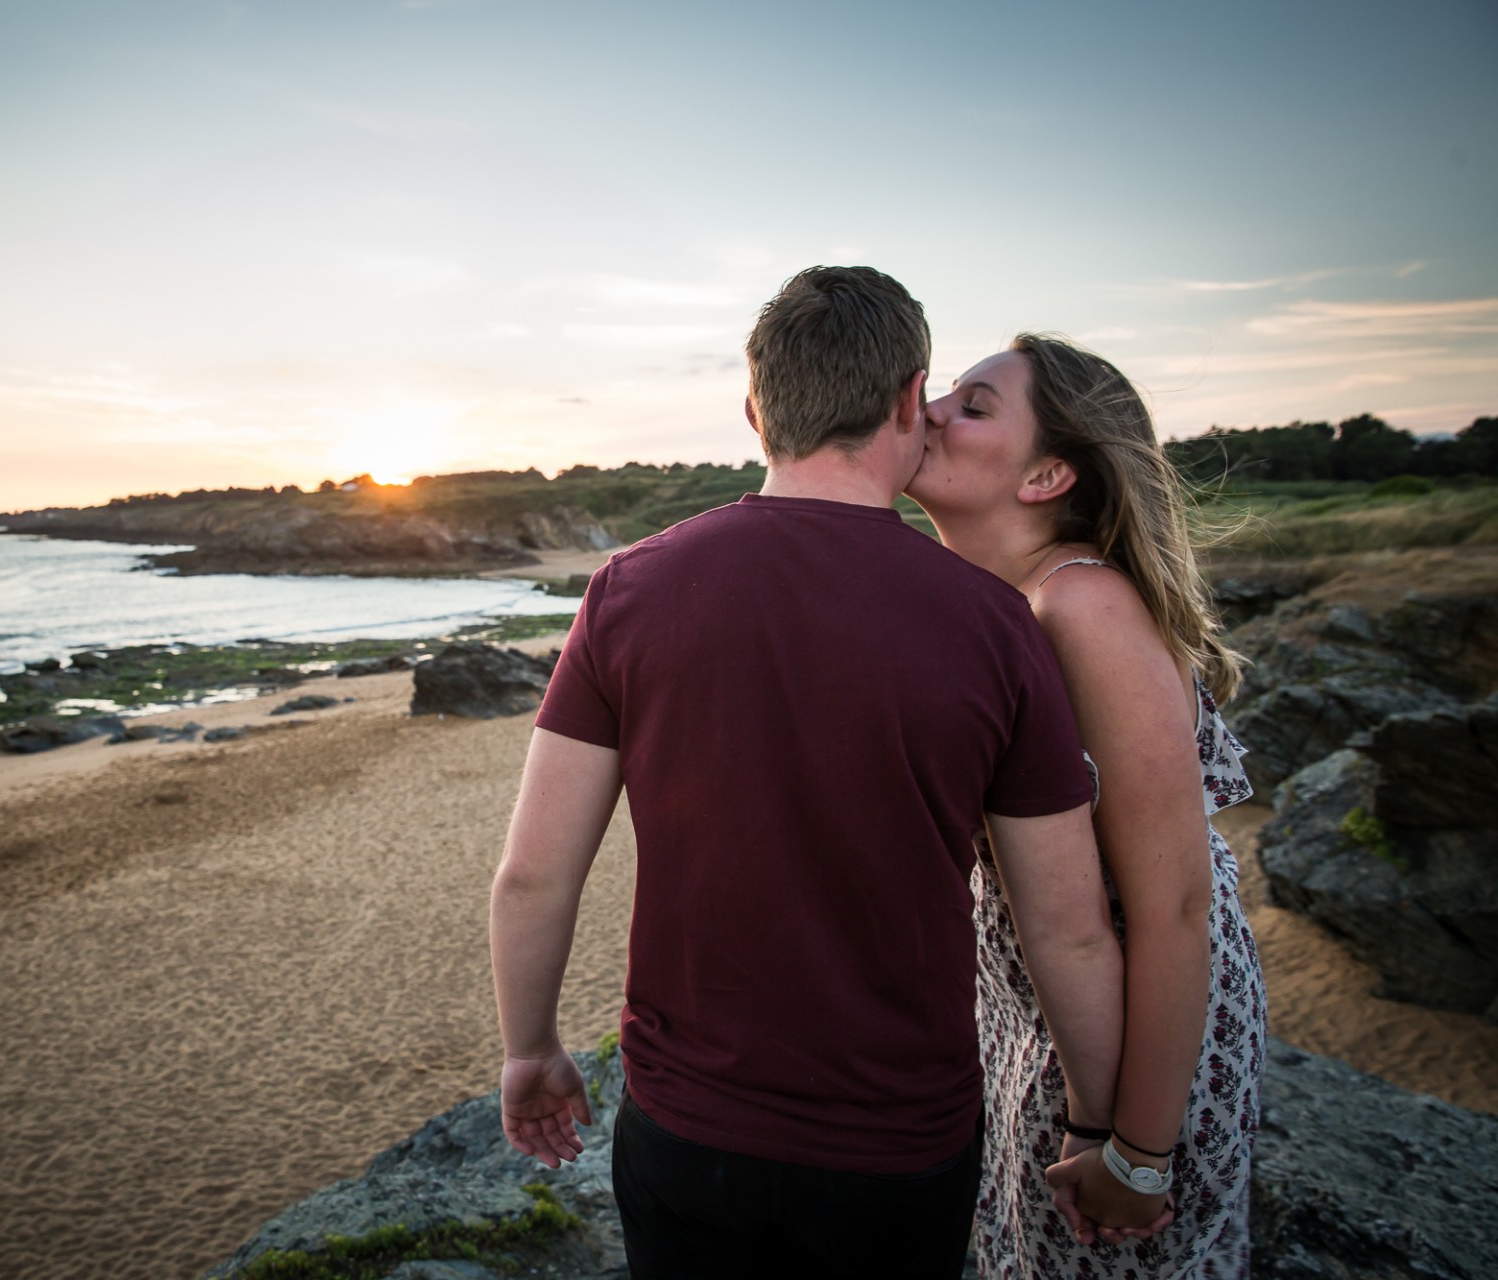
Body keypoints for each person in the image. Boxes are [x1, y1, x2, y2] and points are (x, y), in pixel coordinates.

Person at [489, 267, 1146, 1279]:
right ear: (905, 402)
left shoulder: (631, 587)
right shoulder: (995, 624)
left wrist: (529, 1050)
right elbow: (1068, 924)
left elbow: (533, 874)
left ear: (756, 410)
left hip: (689, 1126)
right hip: (898, 1147)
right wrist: (1102, 1126)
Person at [906, 334, 1264, 1278]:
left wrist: (1138, 1154)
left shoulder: (1081, 607)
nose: (933, 410)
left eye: (974, 406)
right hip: (1047, 1010)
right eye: (945, 392)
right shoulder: (1003, 602)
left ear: (1049, 474)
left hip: (1141, 1026)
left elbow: (1177, 905)